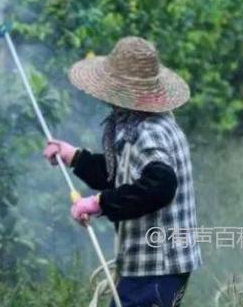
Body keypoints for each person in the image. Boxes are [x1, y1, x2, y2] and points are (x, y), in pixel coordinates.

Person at [43, 37, 202, 307]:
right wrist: (75, 157)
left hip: (157, 265)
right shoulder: (142, 122)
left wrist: (98, 203)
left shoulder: (149, 132)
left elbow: (160, 185)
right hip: (157, 263)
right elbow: (121, 174)